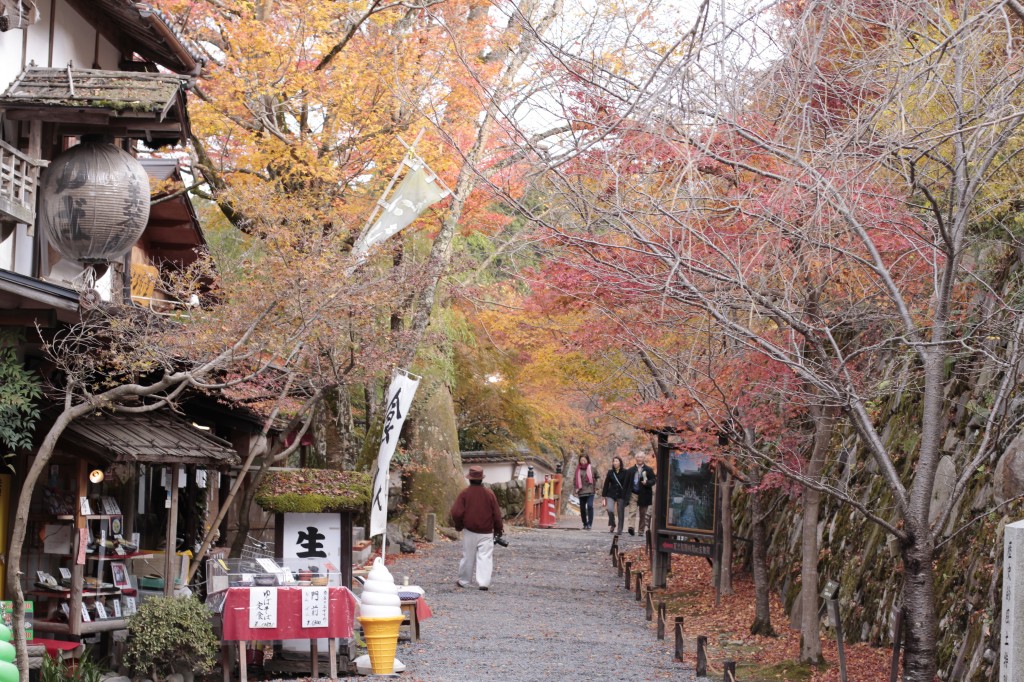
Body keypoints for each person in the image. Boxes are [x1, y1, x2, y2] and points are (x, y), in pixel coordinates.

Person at [450, 465, 504, 591]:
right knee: (485, 556)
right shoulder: (489, 494)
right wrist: (498, 529)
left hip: (470, 530)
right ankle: (483, 582)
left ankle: (464, 580)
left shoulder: (465, 493)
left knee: (468, 556)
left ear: (469, 479)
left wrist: (459, 525)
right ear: (481, 479)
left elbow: (456, 512)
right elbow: (496, 513)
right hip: (486, 531)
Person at [625, 449, 657, 536]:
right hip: (633, 493)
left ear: (644, 459)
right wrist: (625, 494)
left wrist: (647, 483)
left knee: (643, 514)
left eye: (641, 457)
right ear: (636, 458)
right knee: (632, 511)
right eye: (638, 457)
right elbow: (626, 483)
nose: (639, 458)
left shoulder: (648, 469)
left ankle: (641, 531)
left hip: (644, 494)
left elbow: (654, 480)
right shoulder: (630, 470)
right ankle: (631, 527)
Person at [602, 456, 628, 535]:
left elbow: (626, 484)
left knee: (620, 512)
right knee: (610, 509)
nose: (615, 463)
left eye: (617, 461)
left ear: (620, 462)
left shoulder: (625, 472)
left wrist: (627, 495)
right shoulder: (610, 472)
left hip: (621, 494)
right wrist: (604, 495)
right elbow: (606, 484)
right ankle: (612, 524)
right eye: (614, 461)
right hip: (611, 494)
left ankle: (620, 529)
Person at [573, 455, 599, 530]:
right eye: (581, 460)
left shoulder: (592, 468)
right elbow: (575, 480)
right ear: (579, 461)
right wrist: (575, 490)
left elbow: (598, 477)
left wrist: (597, 485)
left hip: (590, 490)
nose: (583, 462)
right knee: (582, 508)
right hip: (581, 491)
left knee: (590, 506)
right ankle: (585, 523)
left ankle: (590, 523)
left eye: (584, 460)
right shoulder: (578, 469)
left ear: (587, 460)